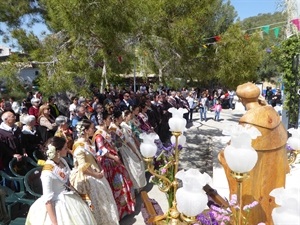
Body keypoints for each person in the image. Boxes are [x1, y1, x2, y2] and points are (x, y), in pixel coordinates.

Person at [218, 82, 289, 225]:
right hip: (274, 174)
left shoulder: (249, 121)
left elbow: (234, 154)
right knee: (270, 208)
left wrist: (223, 155)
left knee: (249, 213)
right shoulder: (273, 114)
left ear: (241, 100)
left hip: (253, 180)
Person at [25, 136, 97, 225]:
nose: (67, 150)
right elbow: (48, 200)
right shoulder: (47, 173)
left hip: (69, 198)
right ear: (58, 152)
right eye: (65, 148)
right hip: (56, 204)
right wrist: (55, 223)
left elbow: (67, 181)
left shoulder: (62, 160)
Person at [71, 120, 119, 225]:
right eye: (92, 128)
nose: (95, 130)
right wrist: (96, 174)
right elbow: (82, 167)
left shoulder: (87, 141)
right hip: (92, 177)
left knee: (107, 200)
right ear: (86, 130)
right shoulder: (79, 146)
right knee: (101, 205)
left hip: (98, 174)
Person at [92, 112, 135, 219]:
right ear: (104, 120)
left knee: (122, 182)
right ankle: (120, 211)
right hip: (108, 163)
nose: (111, 120)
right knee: (116, 185)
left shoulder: (107, 131)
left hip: (114, 160)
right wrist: (113, 157)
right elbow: (102, 150)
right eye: (109, 119)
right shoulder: (98, 135)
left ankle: (126, 207)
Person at [111, 110, 146, 191]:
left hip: (129, 146)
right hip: (124, 150)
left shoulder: (121, 126)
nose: (121, 119)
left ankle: (140, 184)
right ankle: (137, 186)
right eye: (120, 118)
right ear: (116, 119)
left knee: (137, 163)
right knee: (132, 166)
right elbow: (115, 143)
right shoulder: (113, 129)